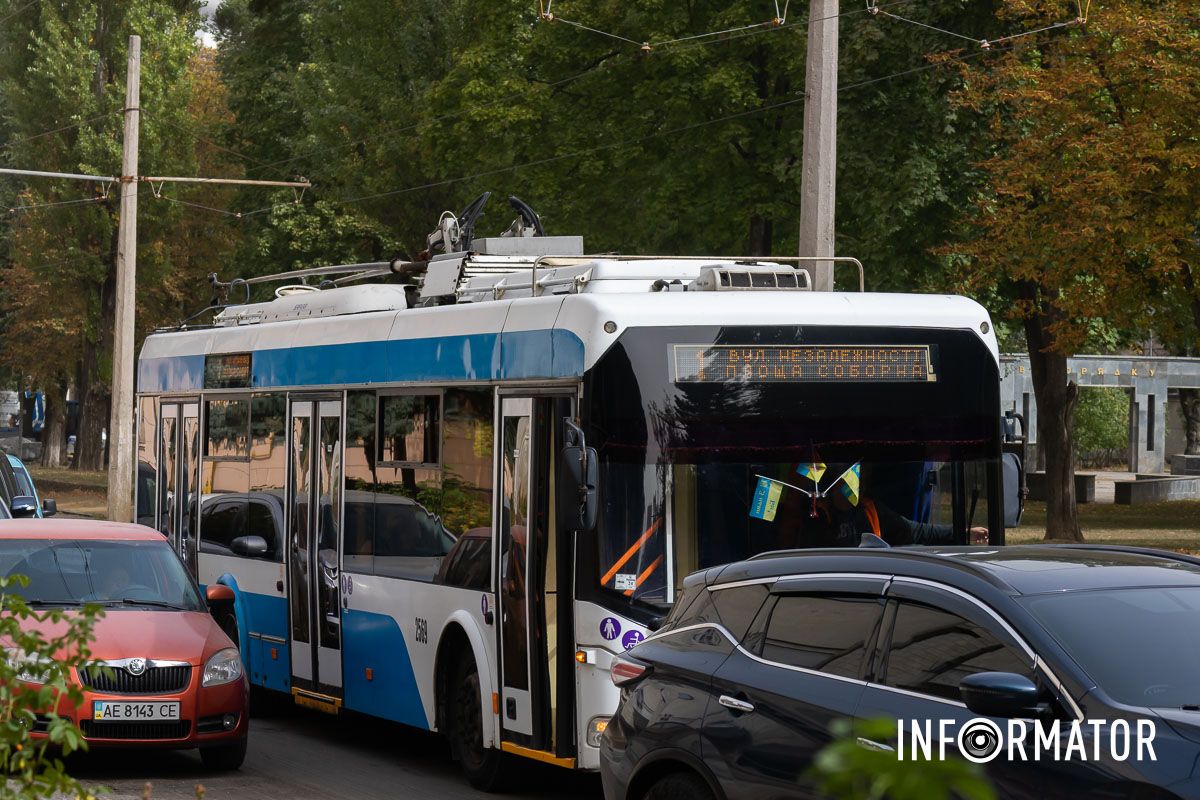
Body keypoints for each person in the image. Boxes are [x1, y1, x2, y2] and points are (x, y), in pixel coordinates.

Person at [767, 462, 989, 548]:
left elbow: (916, 531)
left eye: (862, 479)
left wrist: (964, 532)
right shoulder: (815, 516)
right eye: (853, 479)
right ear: (838, 480)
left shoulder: (871, 511)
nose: (859, 486)